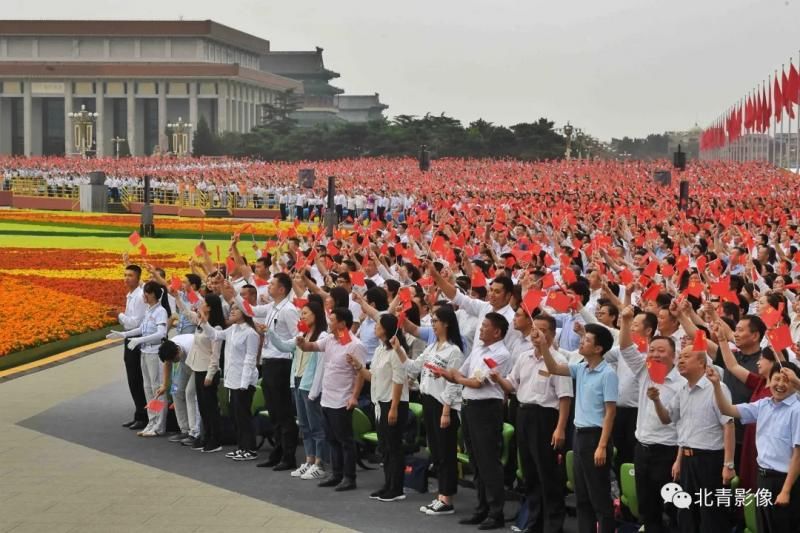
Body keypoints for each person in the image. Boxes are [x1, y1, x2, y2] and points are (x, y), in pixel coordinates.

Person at [491, 313, 573, 533]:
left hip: (546, 418)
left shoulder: (559, 361)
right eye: (535, 328)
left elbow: (565, 397)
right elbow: (512, 385)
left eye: (544, 330)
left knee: (547, 473)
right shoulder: (524, 357)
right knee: (529, 472)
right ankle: (534, 522)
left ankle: (553, 525)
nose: (538, 333)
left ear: (553, 334)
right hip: (523, 413)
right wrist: (498, 378)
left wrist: (560, 428)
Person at [538, 322, 618, 533]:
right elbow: (553, 368)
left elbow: (610, 412)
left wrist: (602, 445)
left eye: (587, 340)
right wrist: (544, 346)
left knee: (599, 497)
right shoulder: (581, 367)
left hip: (596, 437)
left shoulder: (608, 373)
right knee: (582, 496)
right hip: (580, 436)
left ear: (599, 348)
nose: (582, 342)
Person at [648, 345, 736, 533]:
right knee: (688, 516)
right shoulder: (683, 391)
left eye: (686, 357)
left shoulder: (717, 388)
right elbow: (667, 419)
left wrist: (728, 465)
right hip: (688, 461)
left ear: (702, 363)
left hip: (710, 461)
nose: (680, 361)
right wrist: (656, 401)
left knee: (711, 517)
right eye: (679, 357)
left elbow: (728, 426)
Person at [709, 362, 800, 533]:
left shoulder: (797, 410)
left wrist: (786, 490)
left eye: (786, 380)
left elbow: (798, 455)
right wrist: (715, 385)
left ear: (795, 384)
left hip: (785, 481)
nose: (780, 384)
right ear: (769, 381)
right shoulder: (763, 404)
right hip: (763, 477)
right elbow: (727, 409)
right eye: (776, 379)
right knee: (763, 526)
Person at [617, 306, 685, 533]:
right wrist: (626, 321)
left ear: (673, 355)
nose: (655, 354)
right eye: (652, 349)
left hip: (667, 452)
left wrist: (678, 458)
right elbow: (626, 348)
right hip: (642, 449)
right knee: (647, 508)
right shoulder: (646, 371)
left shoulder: (683, 383)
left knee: (673, 509)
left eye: (661, 351)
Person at [446, 312, 513, 531]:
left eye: (485, 326)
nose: (481, 329)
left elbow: (477, 382)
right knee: (475, 460)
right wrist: (446, 373)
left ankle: (496, 512)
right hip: (469, 407)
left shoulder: (501, 353)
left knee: (488, 462)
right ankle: (481, 507)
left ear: (497, 331)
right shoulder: (478, 349)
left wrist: (459, 378)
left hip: (486, 409)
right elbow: (462, 374)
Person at [397, 306, 465, 516]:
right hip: (428, 401)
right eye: (432, 320)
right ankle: (441, 496)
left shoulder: (454, 351)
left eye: (436, 320)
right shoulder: (432, 346)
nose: (432, 324)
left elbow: (454, 385)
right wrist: (398, 349)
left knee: (446, 452)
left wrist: (446, 411)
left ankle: (447, 497)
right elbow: (414, 368)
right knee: (436, 451)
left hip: (442, 405)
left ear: (446, 323)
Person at [231, 272, 300, 470]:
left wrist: (276, 340)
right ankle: (277, 452)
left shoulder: (288, 310)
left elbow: (297, 337)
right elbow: (250, 310)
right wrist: (233, 295)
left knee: (283, 412)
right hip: (269, 362)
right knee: (274, 411)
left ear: (282, 289)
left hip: (281, 362)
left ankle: (288, 456)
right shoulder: (272, 306)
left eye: (272, 284)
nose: (268, 286)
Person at [299, 307, 366, 492]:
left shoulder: (355, 345)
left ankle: (349, 477)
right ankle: (336, 474)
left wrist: (354, 396)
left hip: (343, 399)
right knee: (332, 439)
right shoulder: (329, 339)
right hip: (327, 398)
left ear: (343, 323)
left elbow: (360, 373)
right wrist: (300, 342)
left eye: (333, 319)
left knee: (345, 440)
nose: (329, 322)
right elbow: (310, 347)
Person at [265, 299, 330, 480]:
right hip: (298, 381)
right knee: (304, 425)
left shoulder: (323, 336)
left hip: (311, 385)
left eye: (305, 313)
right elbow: (284, 346)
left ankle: (319, 463)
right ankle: (309, 460)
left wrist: (315, 390)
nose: (302, 316)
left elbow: (321, 367)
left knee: (316, 425)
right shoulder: (302, 334)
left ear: (316, 315)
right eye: (301, 313)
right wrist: (269, 332)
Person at [348, 314, 410, 502]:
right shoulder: (379, 350)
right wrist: (358, 367)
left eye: (378, 325)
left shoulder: (397, 352)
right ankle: (388, 484)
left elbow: (399, 380)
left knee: (393, 447)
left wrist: (393, 407)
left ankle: (397, 488)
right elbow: (372, 376)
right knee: (385, 447)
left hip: (393, 403)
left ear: (386, 329)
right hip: (380, 403)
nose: (375, 327)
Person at [198, 302, 261, 461]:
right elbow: (215, 335)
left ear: (245, 312)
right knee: (235, 415)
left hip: (244, 381)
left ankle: (250, 449)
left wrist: (244, 383)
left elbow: (250, 359)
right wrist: (204, 322)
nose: (232, 311)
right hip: (232, 379)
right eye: (231, 308)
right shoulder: (232, 330)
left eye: (236, 309)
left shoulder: (250, 333)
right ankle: (241, 447)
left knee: (243, 415)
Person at [108, 281, 170, 437]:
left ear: (154, 294)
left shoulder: (160, 312)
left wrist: (140, 340)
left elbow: (161, 333)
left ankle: (159, 425)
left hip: (155, 354)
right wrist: (125, 335)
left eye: (147, 293)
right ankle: (152, 421)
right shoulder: (149, 310)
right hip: (145, 352)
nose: (144, 296)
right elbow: (141, 329)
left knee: (157, 388)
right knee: (148, 388)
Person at [178, 293, 225, 453]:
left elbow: (215, 354)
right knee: (203, 407)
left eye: (203, 302)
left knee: (211, 407)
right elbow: (187, 313)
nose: (200, 304)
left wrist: (210, 375)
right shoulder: (201, 322)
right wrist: (177, 298)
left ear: (210, 307)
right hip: (197, 367)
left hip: (207, 370)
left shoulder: (216, 328)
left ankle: (215, 439)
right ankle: (205, 436)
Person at [156, 333, 201, 447]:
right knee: (175, 391)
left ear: (178, 350)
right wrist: (165, 385)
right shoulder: (170, 348)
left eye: (174, 359)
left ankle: (195, 432)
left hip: (199, 366)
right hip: (185, 365)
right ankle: (184, 430)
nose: (173, 362)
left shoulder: (191, 345)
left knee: (190, 393)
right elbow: (168, 364)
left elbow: (200, 365)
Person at [117, 264, 147, 431]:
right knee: (132, 378)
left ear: (138, 277)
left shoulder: (139, 296)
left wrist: (118, 315)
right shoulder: (130, 294)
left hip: (136, 337)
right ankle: (138, 413)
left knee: (137, 378)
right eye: (125, 274)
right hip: (129, 337)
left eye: (130, 275)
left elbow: (134, 322)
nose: (126, 278)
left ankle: (143, 415)